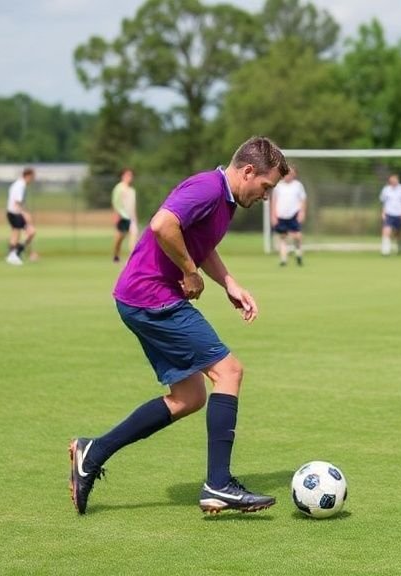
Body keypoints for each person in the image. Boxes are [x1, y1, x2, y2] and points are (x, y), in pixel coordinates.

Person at [68, 136, 289, 516]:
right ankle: (218, 484)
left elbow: (199, 243)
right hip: (152, 295)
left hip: (141, 297)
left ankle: (93, 451)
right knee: (229, 372)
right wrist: (189, 271)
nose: (266, 196)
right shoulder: (207, 188)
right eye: (266, 186)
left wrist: (229, 284)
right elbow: (163, 224)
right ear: (248, 171)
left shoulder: (224, 200)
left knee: (189, 397)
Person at [270, 165, 307, 266]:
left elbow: (303, 200)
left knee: (297, 236)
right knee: (283, 237)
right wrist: (273, 215)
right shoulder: (278, 186)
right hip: (281, 215)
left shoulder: (298, 185)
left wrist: (302, 212)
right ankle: (283, 259)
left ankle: (298, 253)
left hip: (293, 214)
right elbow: (274, 201)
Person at [5, 168, 37, 265]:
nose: (33, 179)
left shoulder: (18, 184)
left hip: (13, 212)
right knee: (17, 233)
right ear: (28, 176)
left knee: (30, 232)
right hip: (15, 212)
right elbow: (17, 203)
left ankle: (16, 252)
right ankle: (13, 254)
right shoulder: (20, 185)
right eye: (33, 177)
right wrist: (25, 214)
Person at [112, 168, 138, 263]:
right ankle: (116, 255)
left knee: (134, 235)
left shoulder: (132, 190)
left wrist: (135, 218)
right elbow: (115, 202)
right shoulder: (119, 188)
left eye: (131, 175)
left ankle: (132, 259)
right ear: (123, 176)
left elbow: (133, 205)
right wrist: (116, 215)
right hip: (123, 216)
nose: (129, 177)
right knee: (120, 237)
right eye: (127, 175)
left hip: (131, 218)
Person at [379, 174, 401, 256]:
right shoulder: (386, 190)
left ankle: (400, 247)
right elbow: (384, 202)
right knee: (386, 231)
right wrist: (383, 213)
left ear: (397, 180)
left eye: (395, 180)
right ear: (390, 181)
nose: (393, 181)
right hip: (389, 214)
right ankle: (385, 251)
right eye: (392, 180)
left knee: (398, 233)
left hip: (399, 214)